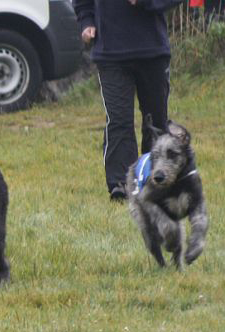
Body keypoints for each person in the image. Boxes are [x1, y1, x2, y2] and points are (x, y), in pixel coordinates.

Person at [73, 0, 184, 201]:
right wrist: (86, 20)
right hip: (110, 54)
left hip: (152, 51)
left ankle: (156, 180)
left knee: (156, 121)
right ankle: (122, 185)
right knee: (119, 120)